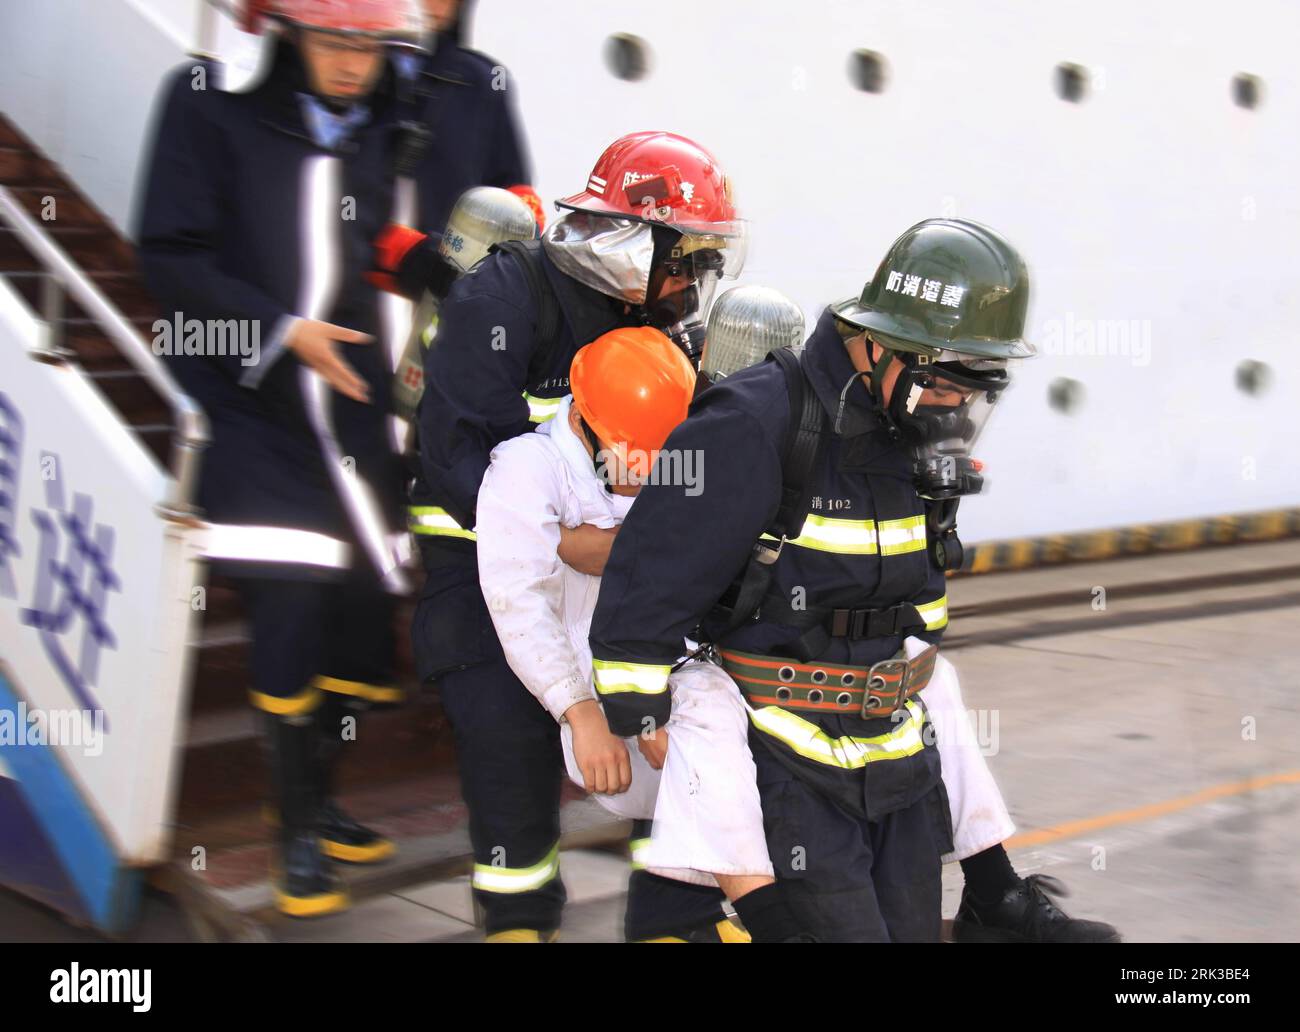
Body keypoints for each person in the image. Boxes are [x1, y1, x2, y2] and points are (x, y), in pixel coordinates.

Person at [590, 218, 1037, 942]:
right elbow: (649, 576)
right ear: (882, 347)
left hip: (894, 764)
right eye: (942, 387)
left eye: (972, 392)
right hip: (785, 763)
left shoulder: (914, 435)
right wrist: (641, 714)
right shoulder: (758, 419)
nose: (954, 409)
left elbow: (919, 602)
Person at [372, 130, 749, 940]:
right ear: (627, 241)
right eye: (682, 259)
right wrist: (554, 544)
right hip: (484, 561)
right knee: (508, 735)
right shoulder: (505, 301)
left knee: (674, 718)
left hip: (619, 563)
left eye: (702, 264)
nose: (692, 282)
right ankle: (517, 918)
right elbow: (453, 451)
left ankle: (677, 908)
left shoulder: (663, 322)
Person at [136, 0, 427, 917]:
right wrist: (279, 333)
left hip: (358, 413)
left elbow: (374, 252)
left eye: (372, 46)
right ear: (287, 33)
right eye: (337, 39)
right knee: (293, 603)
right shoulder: (208, 111)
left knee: (362, 619)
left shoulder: (386, 132)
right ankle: (294, 824)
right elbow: (170, 262)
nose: (353, 63)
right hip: (259, 408)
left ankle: (318, 792)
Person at [476, 326, 815, 942]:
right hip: (582, 683)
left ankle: (686, 920)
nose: (644, 477)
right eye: (633, 458)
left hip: (670, 659)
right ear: (582, 418)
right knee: (707, 719)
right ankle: (767, 924)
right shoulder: (526, 469)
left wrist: (598, 547)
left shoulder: (674, 455)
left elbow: (699, 564)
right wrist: (582, 714)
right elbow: (518, 603)